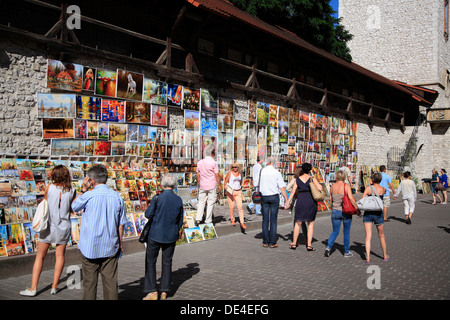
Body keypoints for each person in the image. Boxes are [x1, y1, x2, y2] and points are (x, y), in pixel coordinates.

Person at [71, 164, 128, 300]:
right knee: (110, 283)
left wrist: (83, 189)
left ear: (91, 180)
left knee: (89, 284)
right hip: (110, 245)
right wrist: (120, 243)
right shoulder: (117, 197)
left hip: (90, 246)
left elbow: (74, 206)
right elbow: (121, 224)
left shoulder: (88, 195)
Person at [20, 165, 75, 297]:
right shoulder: (72, 190)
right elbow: (70, 207)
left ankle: (33, 288)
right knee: (60, 255)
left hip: (48, 225)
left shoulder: (49, 187)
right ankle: (54, 286)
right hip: (64, 226)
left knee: (40, 256)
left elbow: (45, 202)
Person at [142, 174, 184, 301]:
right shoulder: (178, 200)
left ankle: (152, 291)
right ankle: (164, 291)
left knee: (150, 261)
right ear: (174, 184)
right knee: (167, 262)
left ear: (163, 184)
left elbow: (148, 214)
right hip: (170, 235)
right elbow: (180, 220)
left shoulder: (157, 198)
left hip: (155, 234)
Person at [285, 162, 322, 251]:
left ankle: (294, 243)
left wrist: (287, 202)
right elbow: (320, 188)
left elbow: (293, 191)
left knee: (298, 222)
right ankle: (309, 245)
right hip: (310, 201)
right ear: (310, 170)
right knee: (310, 223)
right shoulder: (312, 178)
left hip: (300, 201)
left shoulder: (298, 179)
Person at [324, 170, 360, 258]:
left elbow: (330, 199)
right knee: (346, 232)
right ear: (344, 177)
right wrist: (357, 209)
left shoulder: (332, 186)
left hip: (335, 211)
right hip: (345, 211)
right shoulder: (346, 186)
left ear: (336, 177)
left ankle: (328, 247)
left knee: (335, 231)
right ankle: (346, 252)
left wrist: (333, 207)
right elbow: (351, 199)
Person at [259, 157, 288, 248]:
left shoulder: (262, 171)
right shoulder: (276, 173)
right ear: (274, 163)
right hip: (274, 196)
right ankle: (272, 242)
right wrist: (286, 200)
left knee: (265, 220)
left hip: (264, 196)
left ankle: (265, 241)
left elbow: (257, 183)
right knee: (273, 220)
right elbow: (282, 187)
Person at [361, 172, 389, 264]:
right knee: (381, 235)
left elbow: (363, 198)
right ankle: (385, 255)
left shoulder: (368, 188)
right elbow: (383, 194)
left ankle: (368, 257)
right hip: (378, 213)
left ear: (372, 179)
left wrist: (370, 185)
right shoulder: (383, 189)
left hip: (368, 212)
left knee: (368, 236)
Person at [195, 148, 221, 225]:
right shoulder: (214, 163)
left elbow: (198, 174)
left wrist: (200, 183)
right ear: (212, 154)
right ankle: (208, 220)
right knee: (210, 203)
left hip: (203, 185)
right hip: (211, 185)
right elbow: (216, 174)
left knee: (201, 202)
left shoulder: (200, 162)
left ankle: (198, 219)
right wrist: (219, 184)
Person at [286, 166, 308, 243]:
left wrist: (294, 192)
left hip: (295, 202)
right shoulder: (305, 179)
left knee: (295, 221)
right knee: (303, 222)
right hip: (304, 202)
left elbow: (288, 188)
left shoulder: (295, 180)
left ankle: (295, 240)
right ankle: (306, 238)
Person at [224, 162, 246, 230]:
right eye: (233, 167)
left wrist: (243, 185)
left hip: (238, 191)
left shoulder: (240, 174)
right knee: (232, 206)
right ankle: (232, 219)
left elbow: (240, 182)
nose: (234, 168)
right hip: (231, 191)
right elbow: (225, 181)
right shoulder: (230, 173)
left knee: (240, 207)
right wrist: (225, 187)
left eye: (235, 167)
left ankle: (242, 222)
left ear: (238, 167)